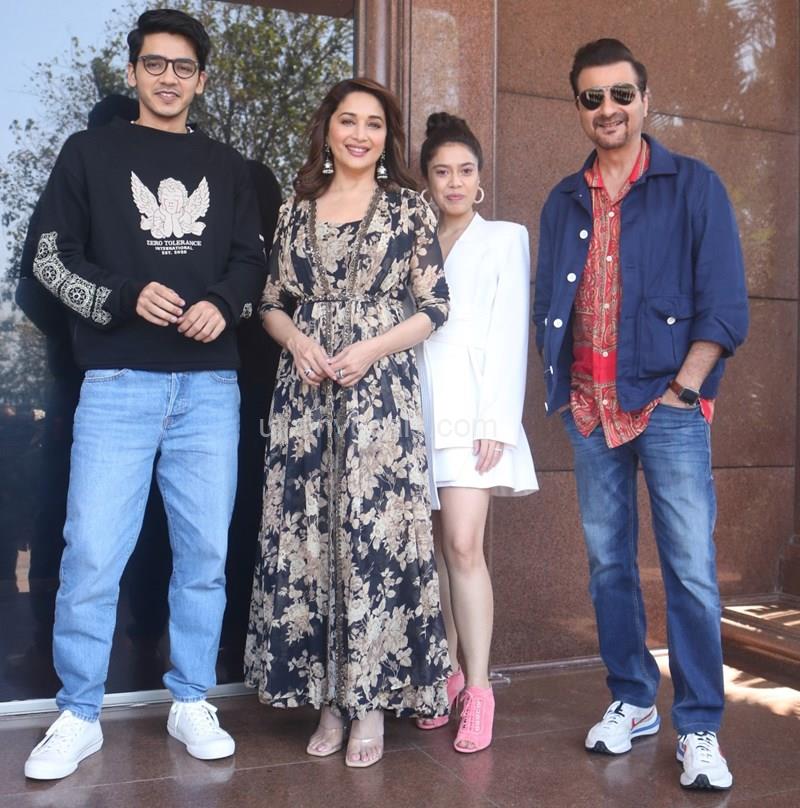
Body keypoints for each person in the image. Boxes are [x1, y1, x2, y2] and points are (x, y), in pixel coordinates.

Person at [23, 9, 266, 780]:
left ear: (201, 80)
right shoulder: (88, 153)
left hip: (209, 388)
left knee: (204, 554)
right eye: (154, 64)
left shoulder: (228, 166)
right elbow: (49, 261)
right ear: (132, 73)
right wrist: (126, 296)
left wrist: (223, 303)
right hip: (117, 383)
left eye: (182, 66)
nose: (168, 77)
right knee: (93, 551)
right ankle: (78, 712)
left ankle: (192, 699)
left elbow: (252, 261)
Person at [533, 39, 748, 791]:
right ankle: (632, 697)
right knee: (608, 565)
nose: (608, 109)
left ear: (645, 100)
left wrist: (685, 390)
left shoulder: (694, 186)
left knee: (690, 569)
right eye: (592, 98)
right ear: (578, 108)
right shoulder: (565, 199)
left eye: (621, 94)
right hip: (590, 410)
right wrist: (566, 387)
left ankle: (699, 725)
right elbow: (549, 302)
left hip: (668, 406)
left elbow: (725, 305)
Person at [244, 77, 451, 769]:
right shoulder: (295, 210)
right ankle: (327, 700)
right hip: (306, 398)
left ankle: (370, 705)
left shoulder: (409, 208)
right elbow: (270, 302)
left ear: (387, 138)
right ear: (327, 130)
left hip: (380, 398)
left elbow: (435, 307)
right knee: (312, 540)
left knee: (372, 541)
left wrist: (371, 347)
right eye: (348, 121)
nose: (360, 134)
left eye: (374, 124)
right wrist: (297, 342)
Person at [415, 112, 538, 752]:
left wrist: (498, 421)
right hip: (415, 407)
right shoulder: (413, 239)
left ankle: (480, 690)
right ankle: (447, 672)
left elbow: (511, 330)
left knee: (464, 545)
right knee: (435, 551)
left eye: (465, 170)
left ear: (480, 177)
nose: (455, 182)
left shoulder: (505, 238)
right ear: (428, 181)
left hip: (473, 413)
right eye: (443, 172)